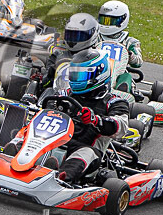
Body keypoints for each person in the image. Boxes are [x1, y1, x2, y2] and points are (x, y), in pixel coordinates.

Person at [47, 49, 130, 183]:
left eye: (81, 75)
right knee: (26, 134)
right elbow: (46, 108)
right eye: (74, 75)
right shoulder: (66, 94)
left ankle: (60, 179)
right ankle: (12, 156)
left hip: (86, 148)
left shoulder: (114, 102)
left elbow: (121, 127)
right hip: (55, 140)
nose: (76, 79)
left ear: (98, 75)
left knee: (85, 154)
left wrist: (95, 120)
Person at [42, 13, 102, 89]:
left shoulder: (97, 57)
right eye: (70, 35)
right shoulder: (57, 54)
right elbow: (44, 85)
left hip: (84, 96)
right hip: (57, 96)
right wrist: (50, 75)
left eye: (79, 36)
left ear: (93, 34)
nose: (73, 39)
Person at [98, 0, 143, 93]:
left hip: (118, 73)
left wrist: (130, 55)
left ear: (122, 20)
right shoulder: (95, 37)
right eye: (104, 20)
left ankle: (122, 92)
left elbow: (138, 62)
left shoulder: (130, 42)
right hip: (97, 69)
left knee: (126, 77)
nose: (107, 24)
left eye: (111, 21)